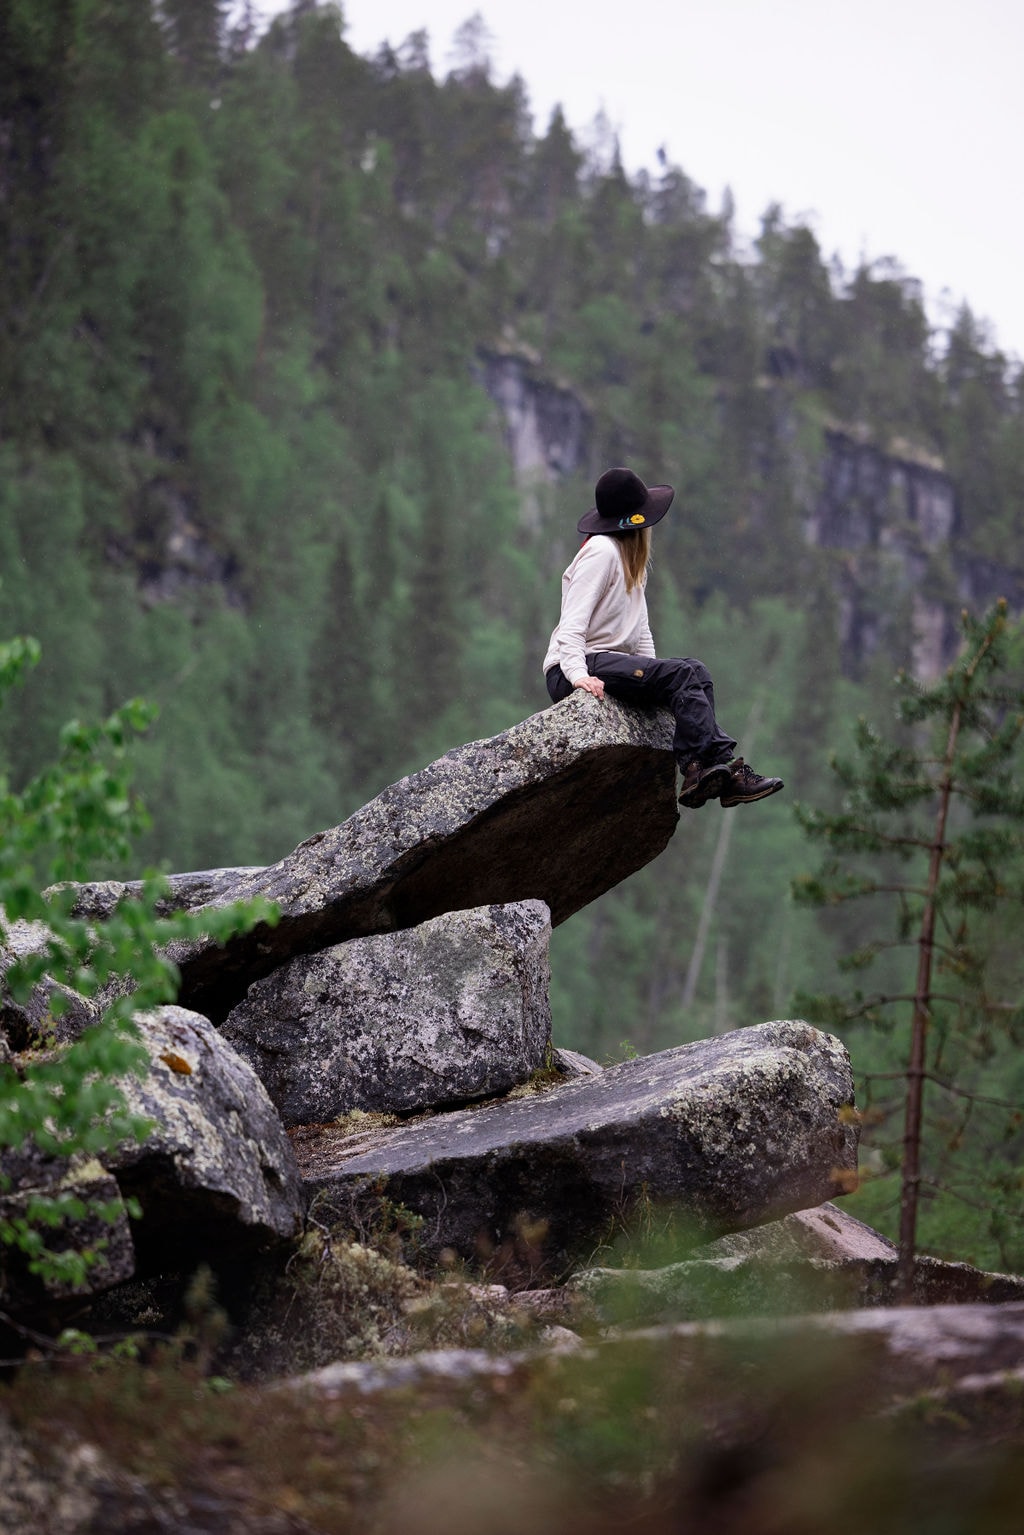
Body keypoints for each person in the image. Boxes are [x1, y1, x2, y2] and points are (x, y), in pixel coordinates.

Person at [543, 466, 784, 809]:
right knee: (681, 674)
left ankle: (714, 770)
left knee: (695, 671)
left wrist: (655, 678)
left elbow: (640, 636)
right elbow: (571, 624)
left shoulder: (629, 561)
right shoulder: (601, 552)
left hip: (608, 663)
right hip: (575, 667)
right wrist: (578, 676)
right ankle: (700, 768)